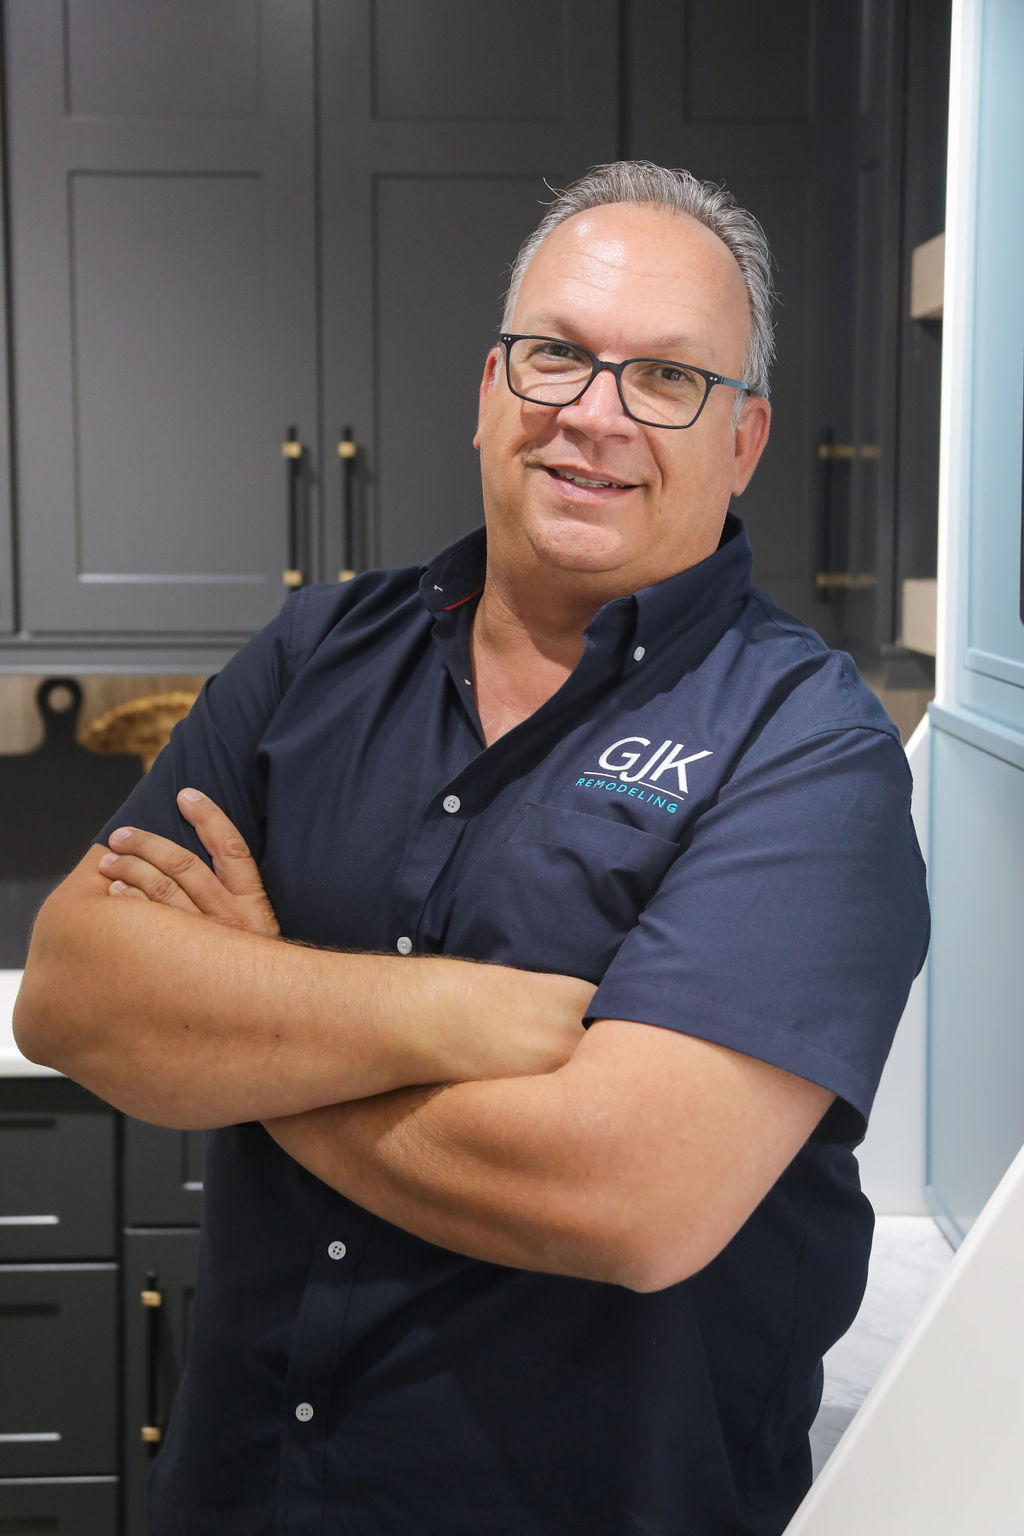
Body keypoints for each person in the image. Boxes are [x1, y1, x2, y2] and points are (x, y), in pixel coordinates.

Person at [15, 161, 929, 1535]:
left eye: (667, 378)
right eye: (555, 355)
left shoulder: (807, 746)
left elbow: (625, 1194)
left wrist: (247, 1026)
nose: (594, 415)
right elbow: (75, 995)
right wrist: (455, 1012)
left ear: (743, 440)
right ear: (491, 389)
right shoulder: (315, 655)